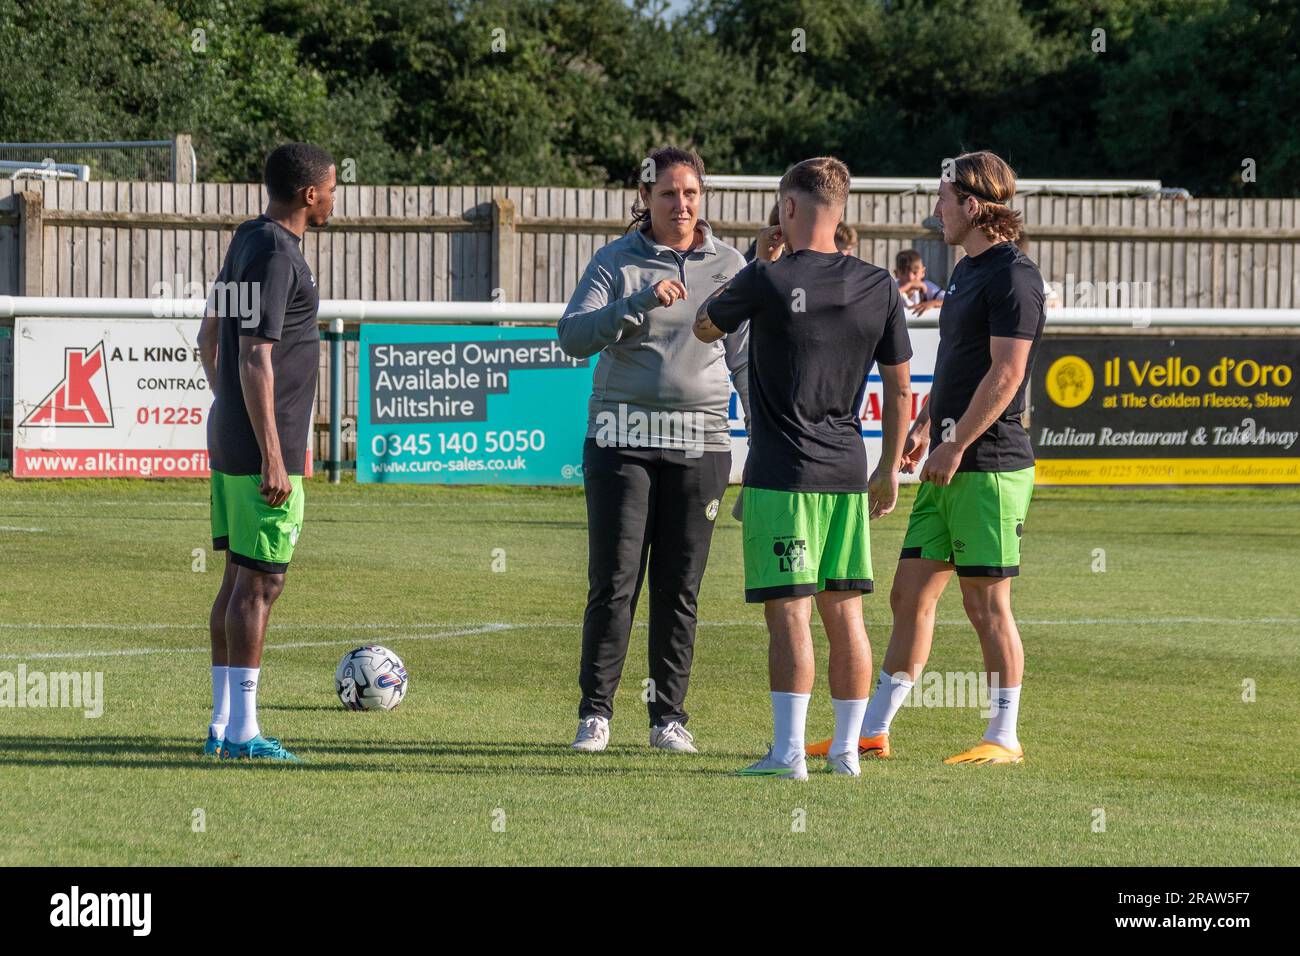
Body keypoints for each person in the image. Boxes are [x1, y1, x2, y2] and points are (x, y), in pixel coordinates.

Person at [819, 149, 1046, 766]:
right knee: (908, 596)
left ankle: (1004, 736)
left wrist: (957, 441)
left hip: (991, 466)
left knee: (986, 604)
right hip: (950, 459)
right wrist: (924, 425)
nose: (934, 210)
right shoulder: (970, 272)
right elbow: (956, 368)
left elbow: (1007, 374)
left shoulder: (1014, 277)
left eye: (944, 199)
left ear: (972, 205)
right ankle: (872, 729)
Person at [695, 156, 912, 779]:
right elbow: (900, 392)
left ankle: (788, 752)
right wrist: (890, 467)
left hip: (782, 477)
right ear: (840, 212)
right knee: (845, 612)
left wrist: (757, 266)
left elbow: (708, 327)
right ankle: (846, 752)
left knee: (789, 612)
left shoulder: (766, 279)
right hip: (848, 473)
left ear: (788, 208)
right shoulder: (880, 286)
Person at [557, 146, 751, 754]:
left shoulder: (731, 264)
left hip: (703, 445)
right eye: (667, 194)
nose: (681, 204)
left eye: (690, 193)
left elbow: (743, 359)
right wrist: (636, 303)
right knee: (615, 581)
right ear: (645, 199)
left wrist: (767, 436)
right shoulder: (616, 259)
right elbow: (572, 337)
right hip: (622, 442)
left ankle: (669, 717)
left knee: (680, 586)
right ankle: (595, 715)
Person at [197, 142, 336, 762]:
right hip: (262, 446)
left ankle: (223, 724)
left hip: (232, 434)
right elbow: (255, 355)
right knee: (262, 583)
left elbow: (209, 335)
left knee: (237, 580)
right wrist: (275, 455)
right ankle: (243, 734)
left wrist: (226, 405)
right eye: (332, 187)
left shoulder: (247, 238)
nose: (335, 197)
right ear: (310, 194)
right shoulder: (279, 254)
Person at [893, 248, 945, 314]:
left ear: (923, 272)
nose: (910, 277)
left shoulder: (928, 287)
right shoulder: (892, 286)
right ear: (896, 273)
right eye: (904, 273)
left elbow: (950, 301)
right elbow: (883, 301)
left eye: (915, 272)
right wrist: (909, 286)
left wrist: (932, 303)